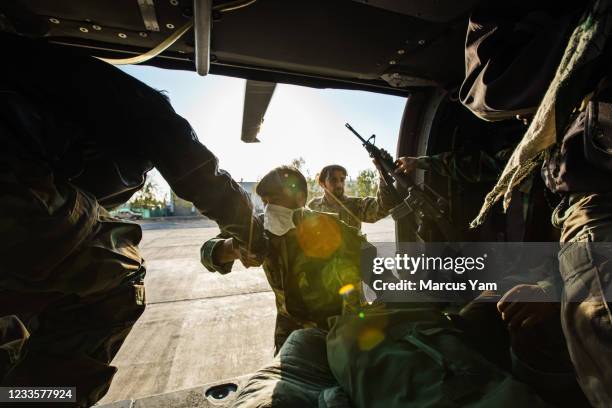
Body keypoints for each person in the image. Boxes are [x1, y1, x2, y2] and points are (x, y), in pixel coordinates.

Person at [0, 34, 266, 407]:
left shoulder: (47, 90)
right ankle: (35, 401)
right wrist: (251, 232)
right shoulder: (141, 108)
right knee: (116, 271)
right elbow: (200, 174)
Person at [458, 2, 612, 406]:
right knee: (469, 320)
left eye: (536, 114)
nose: (528, 122)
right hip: (535, 276)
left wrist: (547, 289)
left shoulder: (573, 181)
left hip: (554, 277)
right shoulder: (541, 170)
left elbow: (489, 90)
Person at [201, 166, 369, 354]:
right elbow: (207, 251)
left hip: (334, 334)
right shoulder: (258, 229)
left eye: (276, 201)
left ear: (301, 199)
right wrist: (231, 249)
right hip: (288, 338)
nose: (269, 209)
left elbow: (371, 259)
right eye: (265, 202)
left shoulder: (329, 227)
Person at [307, 164, 398, 230]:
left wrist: (383, 176)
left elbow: (384, 207)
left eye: (342, 180)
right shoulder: (313, 205)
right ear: (322, 183)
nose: (339, 184)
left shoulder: (356, 204)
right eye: (333, 180)